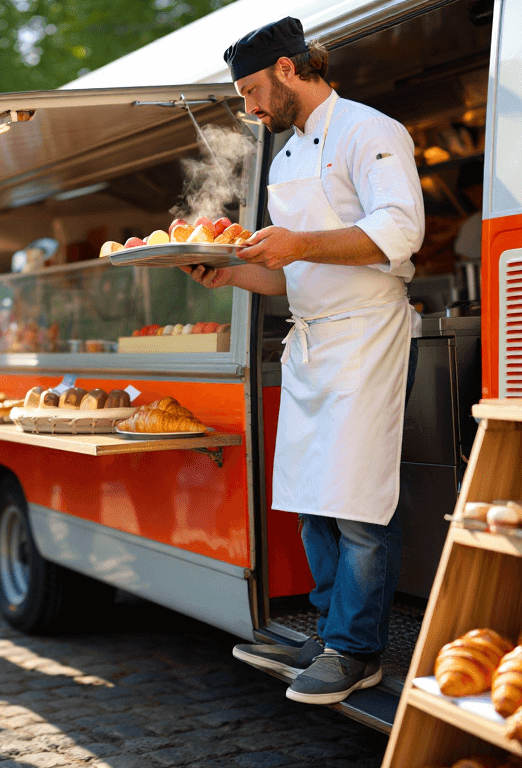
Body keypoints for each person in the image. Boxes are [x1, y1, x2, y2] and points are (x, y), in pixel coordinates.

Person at [196, 18, 424, 705]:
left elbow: (400, 230)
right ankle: (330, 634)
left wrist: (296, 243)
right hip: (313, 337)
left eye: (253, 90)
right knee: (309, 499)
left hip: (365, 334)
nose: (250, 108)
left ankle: (358, 652)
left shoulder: (369, 130)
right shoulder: (288, 155)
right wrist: (233, 274)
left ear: (290, 69)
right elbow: (290, 269)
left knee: (355, 502)